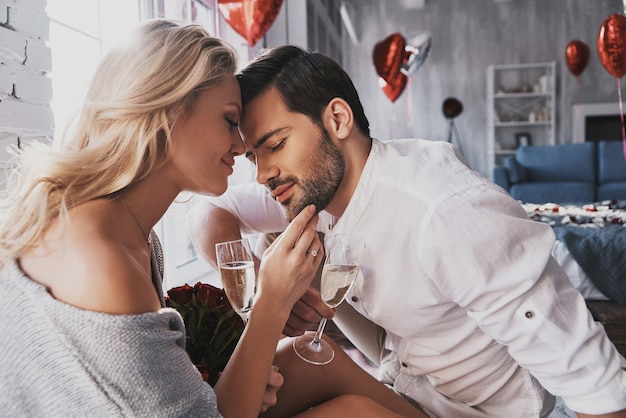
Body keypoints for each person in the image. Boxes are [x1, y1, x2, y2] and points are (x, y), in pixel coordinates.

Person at [0, 19, 426, 418]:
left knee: (316, 363)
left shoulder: (129, 233)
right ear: (165, 109)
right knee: (355, 412)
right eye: (229, 120)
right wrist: (272, 301)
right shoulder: (103, 259)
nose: (241, 148)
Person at [186, 44, 626, 418]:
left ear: (338, 119)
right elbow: (210, 212)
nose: (263, 173)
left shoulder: (444, 212)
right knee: (280, 361)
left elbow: (595, 379)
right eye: (253, 158)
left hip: (474, 411)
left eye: (275, 145)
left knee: (332, 402)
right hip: (409, 382)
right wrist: (264, 279)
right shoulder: (310, 185)